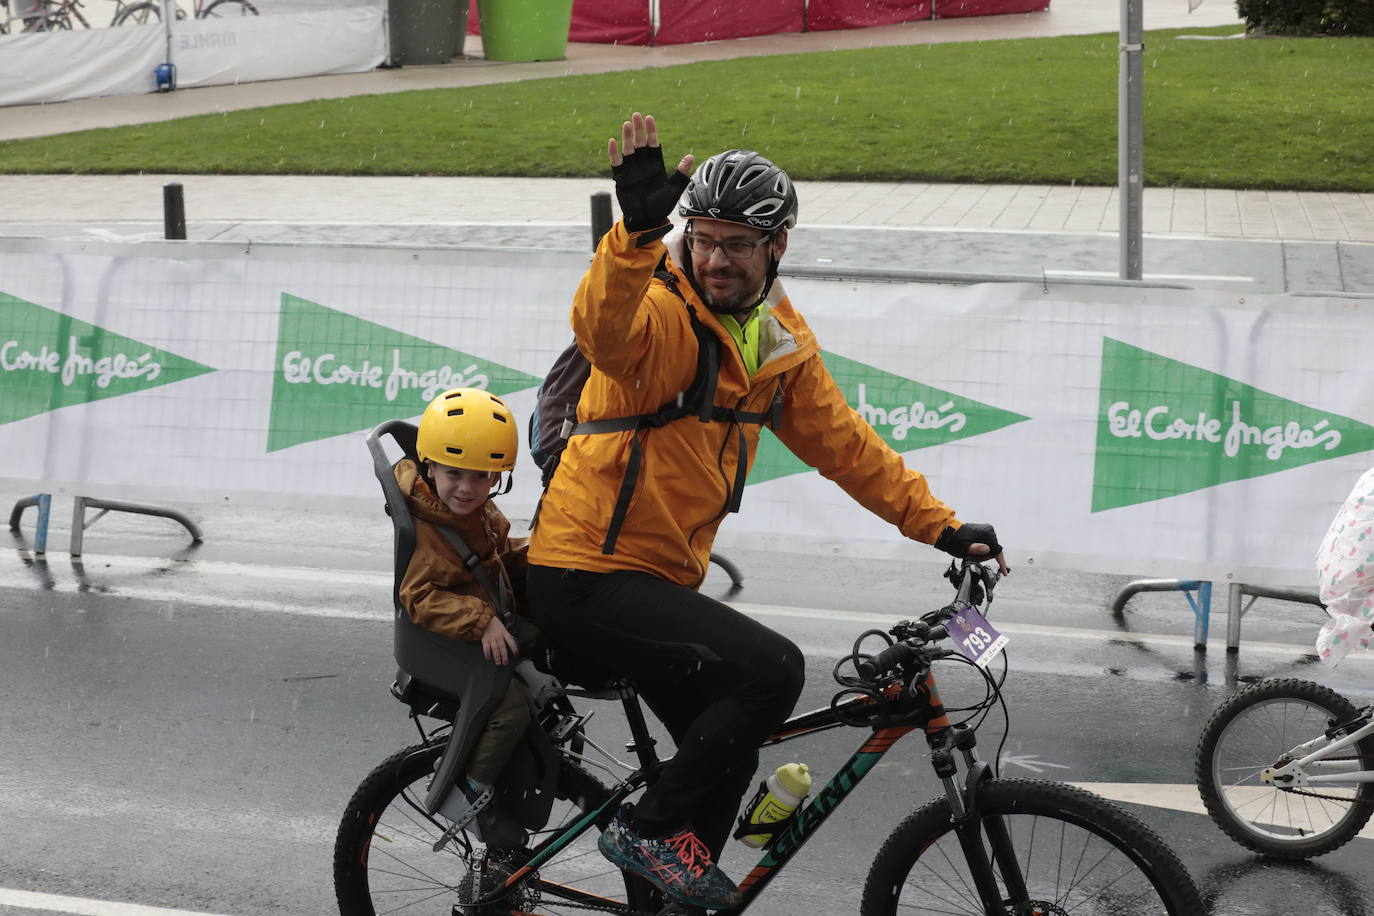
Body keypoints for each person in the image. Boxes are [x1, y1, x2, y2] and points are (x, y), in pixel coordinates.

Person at [525, 112, 1007, 909]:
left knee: (726, 755)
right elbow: (601, 331)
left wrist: (943, 526)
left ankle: (662, 889)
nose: (716, 259)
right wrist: (635, 234)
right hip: (583, 570)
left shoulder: (778, 339)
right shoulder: (658, 313)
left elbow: (845, 447)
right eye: (704, 239)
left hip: (658, 577)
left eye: (737, 245)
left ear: (777, 246)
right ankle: (647, 835)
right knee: (773, 670)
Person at [396, 386, 533, 849]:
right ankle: (469, 791)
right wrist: (481, 621)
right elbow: (419, 595)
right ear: (430, 465)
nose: (468, 488)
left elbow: (495, 555)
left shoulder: (473, 511)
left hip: (474, 624)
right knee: (510, 706)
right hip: (443, 639)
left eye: (482, 476)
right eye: (454, 473)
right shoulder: (434, 528)